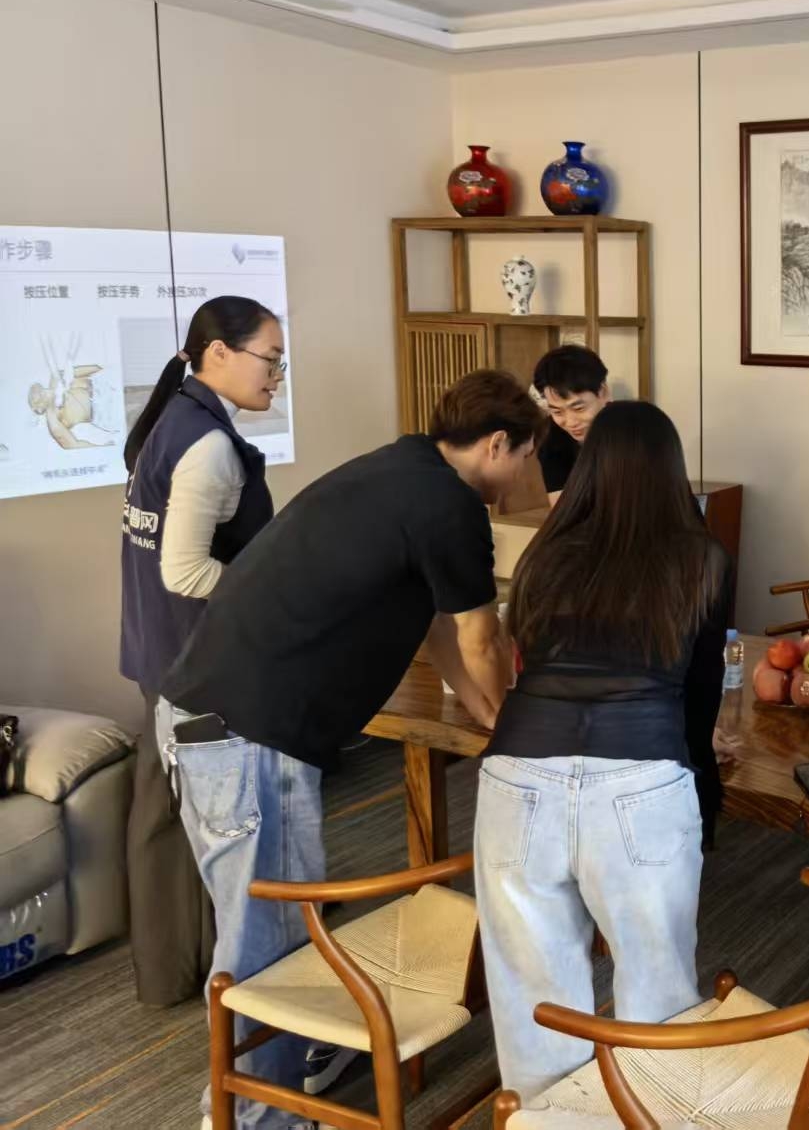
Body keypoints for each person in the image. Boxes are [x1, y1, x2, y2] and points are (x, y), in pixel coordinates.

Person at [158, 369, 539, 1130]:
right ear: (497, 444)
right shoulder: (450, 505)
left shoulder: (402, 470)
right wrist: (520, 725)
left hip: (213, 721)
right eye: (526, 457)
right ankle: (254, 1117)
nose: (524, 475)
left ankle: (266, 1092)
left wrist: (494, 720)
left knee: (267, 933)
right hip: (246, 738)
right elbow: (478, 635)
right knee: (265, 947)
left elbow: (439, 626)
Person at [476, 400, 733, 1102]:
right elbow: (700, 696)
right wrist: (704, 785)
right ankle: (651, 1111)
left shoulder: (545, 554)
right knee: (657, 984)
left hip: (518, 775)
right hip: (640, 780)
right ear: (671, 472)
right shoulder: (702, 558)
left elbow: (524, 659)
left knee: (532, 991)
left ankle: (545, 1114)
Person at [119, 297, 282, 1012]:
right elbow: (185, 570)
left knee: (162, 816)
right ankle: (245, 980)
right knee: (226, 824)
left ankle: (171, 973)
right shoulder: (207, 444)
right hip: (198, 661)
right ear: (218, 353)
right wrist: (272, 593)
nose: (276, 375)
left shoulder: (170, 420)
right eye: (270, 359)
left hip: (159, 648)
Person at [533, 344, 610, 505]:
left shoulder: (633, 430)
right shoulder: (552, 439)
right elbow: (563, 510)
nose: (570, 422)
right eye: (557, 412)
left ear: (603, 392)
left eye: (579, 408)